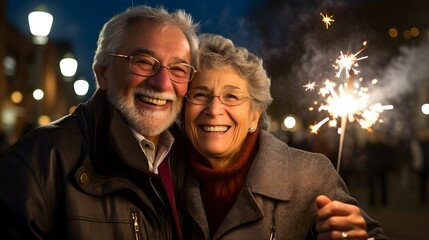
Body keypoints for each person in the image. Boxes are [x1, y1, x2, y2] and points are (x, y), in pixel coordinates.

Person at [0, 6, 198, 239]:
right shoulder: (37, 164)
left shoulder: (191, 162)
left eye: (178, 69)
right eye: (144, 62)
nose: (163, 83)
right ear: (102, 73)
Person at [180, 34, 388, 239]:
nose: (214, 109)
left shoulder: (311, 176)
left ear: (255, 115)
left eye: (232, 96)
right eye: (200, 94)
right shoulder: (163, 176)